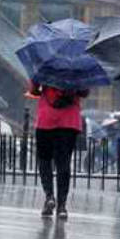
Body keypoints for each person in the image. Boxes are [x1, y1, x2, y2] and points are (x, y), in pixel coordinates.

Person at [30, 83, 88, 219]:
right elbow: (84, 91)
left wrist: (42, 91)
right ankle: (62, 205)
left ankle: (49, 196)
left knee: (44, 160)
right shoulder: (77, 70)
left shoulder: (46, 67)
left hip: (46, 120)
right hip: (69, 122)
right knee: (63, 163)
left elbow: (33, 89)